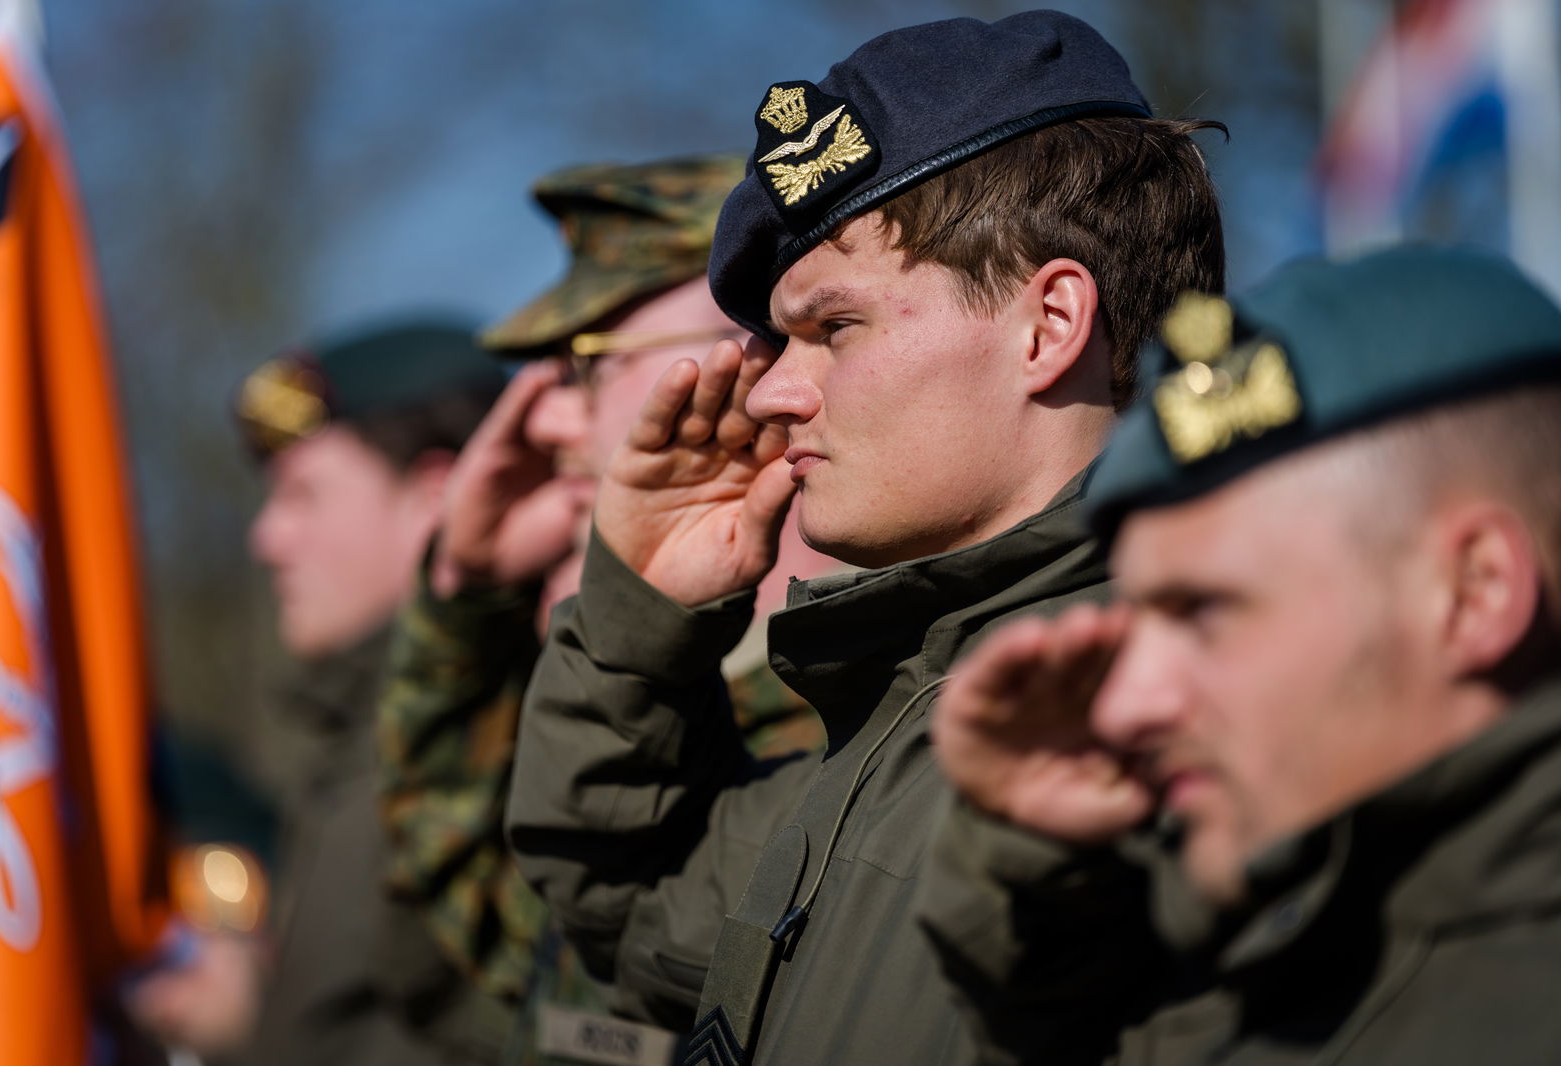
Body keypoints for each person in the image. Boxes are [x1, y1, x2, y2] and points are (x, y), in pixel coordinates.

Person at [506, 12, 1225, 1065]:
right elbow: (630, 905)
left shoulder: (1185, 721)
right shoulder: (904, 712)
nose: (777, 392)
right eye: (779, 339)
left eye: (833, 327)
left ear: (1048, 324)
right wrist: (641, 620)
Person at [923, 245, 1561, 1065]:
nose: (1123, 706)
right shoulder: (1276, 974)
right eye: (1136, 620)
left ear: (1475, 592)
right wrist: (1046, 882)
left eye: (1204, 612)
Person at [375, 155, 836, 1066]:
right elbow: (494, 904)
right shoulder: (691, 700)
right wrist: (466, 602)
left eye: (584, 368)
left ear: (753, 357)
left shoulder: (854, 715)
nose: (543, 423)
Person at [235, 319, 514, 1065]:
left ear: (431, 499)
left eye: (303, 495)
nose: (269, 538)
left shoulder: (495, 735)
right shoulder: (362, 736)